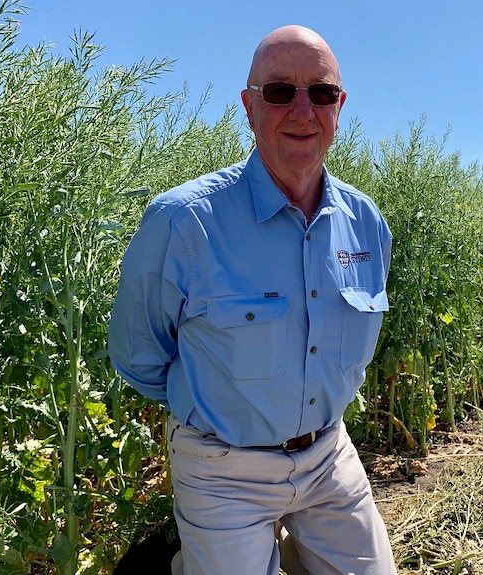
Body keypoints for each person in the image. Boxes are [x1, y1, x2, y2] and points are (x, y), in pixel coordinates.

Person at [108, 24, 396, 575]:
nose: (303, 111)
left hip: (328, 456)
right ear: (249, 106)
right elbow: (138, 354)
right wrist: (217, 411)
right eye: (281, 92)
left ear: (340, 106)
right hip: (221, 469)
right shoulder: (184, 222)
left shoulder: (365, 223)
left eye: (321, 92)